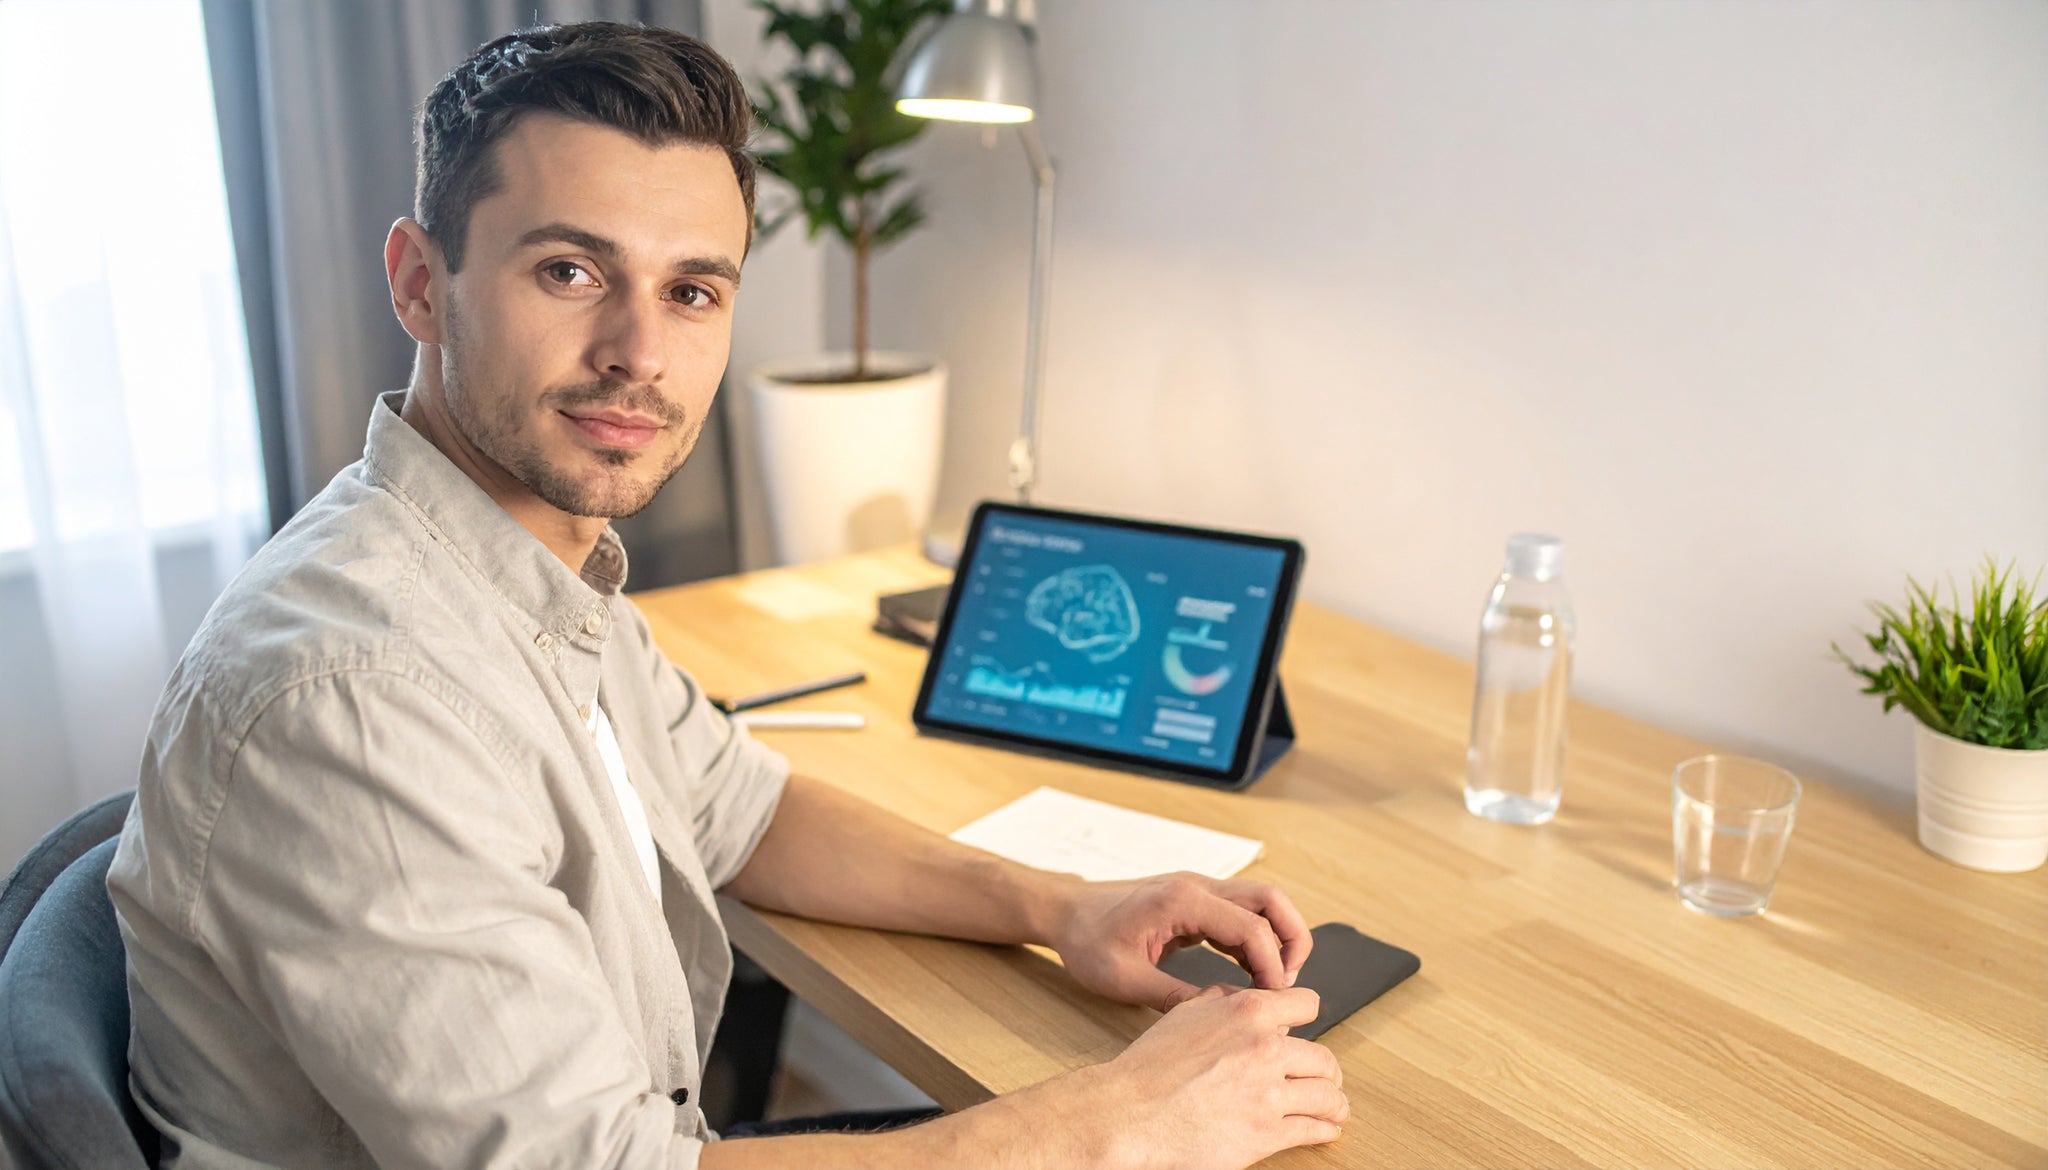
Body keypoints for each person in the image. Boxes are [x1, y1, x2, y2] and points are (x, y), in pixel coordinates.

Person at [108, 21, 1348, 1169]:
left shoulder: (523, 566)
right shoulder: (356, 696)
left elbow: (743, 812)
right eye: (569, 272)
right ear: (421, 283)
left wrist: (1063, 906)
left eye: (691, 291)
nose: (639, 354)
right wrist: (1119, 1122)